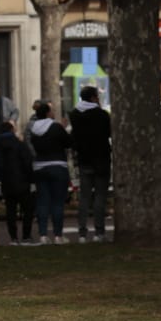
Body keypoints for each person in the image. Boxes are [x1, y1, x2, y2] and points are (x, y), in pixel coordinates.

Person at [69, 84, 112, 243]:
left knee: (84, 197)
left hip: (84, 159)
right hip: (101, 158)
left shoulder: (74, 114)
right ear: (94, 98)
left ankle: (82, 233)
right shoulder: (101, 115)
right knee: (100, 196)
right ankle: (99, 232)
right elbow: (108, 132)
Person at [27, 100, 73, 244]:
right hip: (57, 165)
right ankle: (58, 235)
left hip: (39, 167)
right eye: (52, 111)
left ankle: (42, 235)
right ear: (48, 113)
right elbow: (68, 142)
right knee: (57, 202)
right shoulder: (56, 127)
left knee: (42, 202)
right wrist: (65, 129)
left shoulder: (33, 129)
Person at [0, 120, 35, 245]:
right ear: (12, 130)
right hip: (22, 181)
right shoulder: (20, 144)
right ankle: (26, 236)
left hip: (7, 182)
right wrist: (31, 179)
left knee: (10, 211)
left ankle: (13, 237)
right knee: (28, 210)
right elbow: (27, 162)